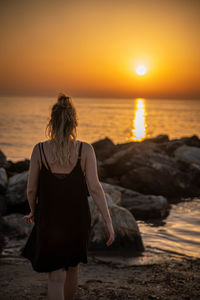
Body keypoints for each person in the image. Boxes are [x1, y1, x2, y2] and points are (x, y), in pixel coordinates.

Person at [21, 93, 115, 300]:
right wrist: (108, 221)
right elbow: (96, 189)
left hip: (50, 220)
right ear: (74, 122)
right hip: (76, 220)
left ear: (52, 122)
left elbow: (31, 188)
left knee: (55, 277)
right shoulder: (85, 150)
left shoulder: (40, 150)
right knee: (72, 269)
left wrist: (33, 211)